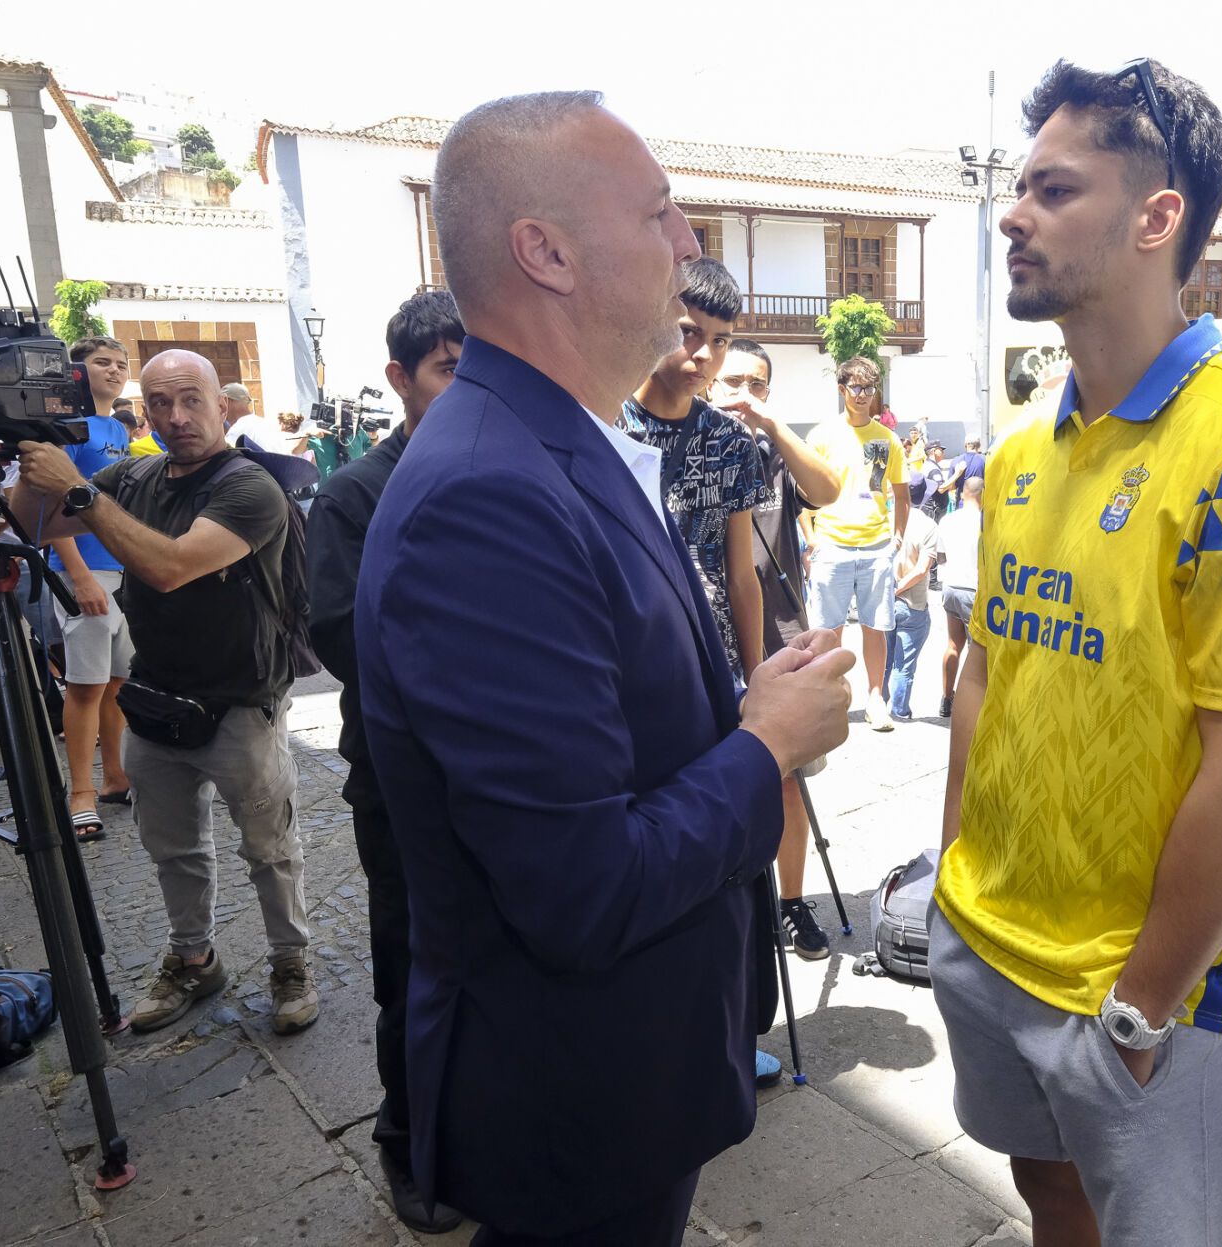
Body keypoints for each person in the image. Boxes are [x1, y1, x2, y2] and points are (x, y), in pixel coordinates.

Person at [354, 91, 854, 1245]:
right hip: (572, 1099)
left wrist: (735, 703)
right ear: (547, 250)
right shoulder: (486, 492)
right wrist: (766, 741)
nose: (689, 247)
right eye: (662, 214)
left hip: (623, 1067)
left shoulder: (551, 436)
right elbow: (579, 885)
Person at [933, 59, 1222, 1244]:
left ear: (1155, 217)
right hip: (987, 937)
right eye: (1015, 186)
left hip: (1151, 996)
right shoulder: (1020, 447)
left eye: (1053, 189)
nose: (1011, 213)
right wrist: (950, 879)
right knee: (1045, 1189)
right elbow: (986, 671)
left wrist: (1138, 1006)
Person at [14, 349, 318, 1037]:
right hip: (157, 697)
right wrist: (38, 459)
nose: (176, 417)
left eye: (191, 401)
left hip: (241, 700)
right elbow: (30, 524)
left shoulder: (251, 487)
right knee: (170, 846)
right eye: (160, 403)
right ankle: (193, 958)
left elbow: (170, 566)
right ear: (143, 411)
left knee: (269, 847)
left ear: (220, 404)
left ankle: (290, 962)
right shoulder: (135, 473)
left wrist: (85, 492)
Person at [304, 289, 465, 1234]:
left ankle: (477, 1122)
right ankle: (406, 1139)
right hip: (404, 775)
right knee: (410, 960)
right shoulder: (355, 493)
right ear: (402, 380)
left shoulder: (497, 472)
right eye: (447, 368)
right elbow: (341, 631)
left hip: (494, 772)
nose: (465, 385)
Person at [711, 338, 842, 964]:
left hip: (780, 634)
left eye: (757, 384)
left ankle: (790, 903)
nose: (743, 394)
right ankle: (730, 904)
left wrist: (771, 424)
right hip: (711, 641)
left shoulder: (772, 450)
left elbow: (829, 488)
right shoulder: (693, 447)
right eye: (732, 379)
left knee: (785, 780)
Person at [620, 258, 768, 680]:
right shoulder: (607, 425)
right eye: (689, 332)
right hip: (633, 653)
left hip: (711, 655)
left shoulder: (732, 442)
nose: (705, 354)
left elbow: (740, 575)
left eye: (721, 341)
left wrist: (755, 678)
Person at [24, 336, 134, 841]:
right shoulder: (68, 426)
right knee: (86, 685)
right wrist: (79, 575)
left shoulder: (115, 426)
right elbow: (51, 504)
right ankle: (81, 794)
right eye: (101, 363)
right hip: (83, 572)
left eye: (120, 363)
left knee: (115, 684)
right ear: (77, 370)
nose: (114, 370)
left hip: (119, 568)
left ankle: (115, 777)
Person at [805, 354, 908, 731]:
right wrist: (811, 539)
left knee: (876, 625)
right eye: (856, 387)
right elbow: (803, 492)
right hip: (831, 541)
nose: (863, 394)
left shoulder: (888, 438)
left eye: (869, 387)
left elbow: (901, 492)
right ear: (842, 389)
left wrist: (896, 538)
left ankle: (875, 698)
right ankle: (830, 694)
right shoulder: (821, 435)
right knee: (828, 628)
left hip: (877, 544)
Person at [884, 500, 939, 721]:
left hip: (884, 600)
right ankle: (899, 711)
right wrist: (900, 588)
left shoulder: (887, 518)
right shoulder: (928, 526)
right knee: (903, 665)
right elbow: (922, 568)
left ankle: (878, 705)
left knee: (884, 660)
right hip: (913, 603)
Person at [933, 474, 982, 718]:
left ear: (963, 495)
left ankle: (947, 698)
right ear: (983, 495)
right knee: (977, 652)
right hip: (974, 589)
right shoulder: (985, 521)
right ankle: (971, 705)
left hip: (950, 587)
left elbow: (940, 557)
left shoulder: (947, 520)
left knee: (953, 645)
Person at [221, 382, 289, 453]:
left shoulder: (238, 430)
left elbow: (225, 456)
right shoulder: (268, 425)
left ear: (228, 401)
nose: (221, 408)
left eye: (222, 403)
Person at [941, 435, 985, 512]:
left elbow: (951, 487)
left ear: (965, 445)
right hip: (981, 504)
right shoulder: (985, 460)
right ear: (979, 445)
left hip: (962, 503)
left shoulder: (956, 461)